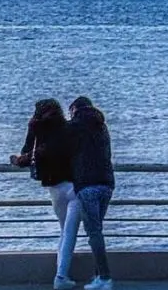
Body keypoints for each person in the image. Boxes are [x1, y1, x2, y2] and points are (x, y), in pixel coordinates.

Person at [11, 98, 82, 290]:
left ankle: (62, 275)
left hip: (54, 188)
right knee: (69, 233)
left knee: (64, 231)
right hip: (74, 187)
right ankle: (61, 276)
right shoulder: (69, 129)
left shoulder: (37, 129)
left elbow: (27, 153)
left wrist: (17, 159)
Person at [66, 96, 115, 290]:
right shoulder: (102, 126)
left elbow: (64, 152)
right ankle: (98, 277)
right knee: (98, 232)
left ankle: (105, 277)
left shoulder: (73, 127)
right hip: (107, 184)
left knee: (94, 233)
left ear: (74, 109)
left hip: (87, 185)